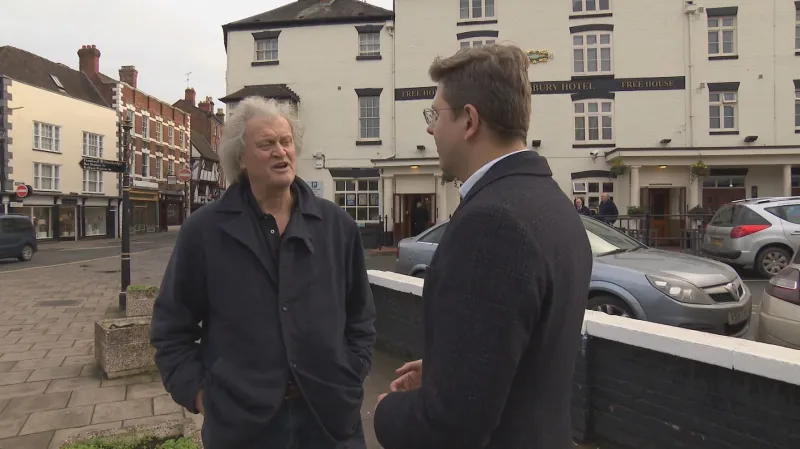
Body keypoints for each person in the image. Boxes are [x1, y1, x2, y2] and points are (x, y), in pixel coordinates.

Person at [373, 44, 593, 449]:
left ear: (469, 120)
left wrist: (386, 412)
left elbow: (452, 427)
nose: (430, 129)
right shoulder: (555, 204)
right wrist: (448, 373)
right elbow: (524, 357)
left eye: (435, 114)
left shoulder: (492, 223)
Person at [150, 96, 376, 449]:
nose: (281, 152)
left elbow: (360, 317)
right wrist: (200, 395)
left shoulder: (338, 227)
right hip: (242, 427)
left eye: (286, 142)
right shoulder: (204, 231)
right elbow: (170, 328)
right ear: (241, 158)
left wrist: (352, 371)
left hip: (330, 419)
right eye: (266, 144)